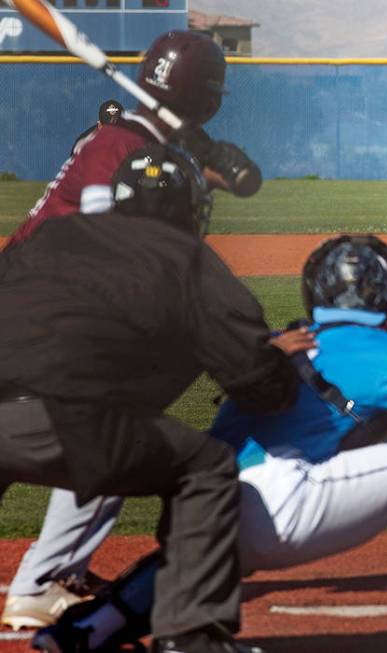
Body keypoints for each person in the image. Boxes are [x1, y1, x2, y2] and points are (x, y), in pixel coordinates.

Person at [29, 235, 387, 653]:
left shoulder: (280, 345)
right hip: (285, 509)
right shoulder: (384, 350)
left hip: (203, 518)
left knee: (204, 539)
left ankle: (85, 630)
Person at [0, 144, 312, 653]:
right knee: (206, 467)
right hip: (64, 419)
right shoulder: (186, 255)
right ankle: (191, 635)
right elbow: (256, 384)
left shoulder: (53, 236)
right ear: (191, 207)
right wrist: (270, 355)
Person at [1, 29, 263, 632]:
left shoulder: (134, 141)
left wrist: (209, 159)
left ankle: (54, 573)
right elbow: (116, 240)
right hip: (44, 315)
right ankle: (41, 581)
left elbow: (243, 181)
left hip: (27, 309)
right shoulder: (122, 145)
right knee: (115, 419)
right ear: (211, 96)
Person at [4, 29, 259, 249]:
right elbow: (97, 227)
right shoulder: (118, 139)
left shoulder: (171, 143)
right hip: (33, 276)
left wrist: (225, 162)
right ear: (209, 104)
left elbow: (246, 183)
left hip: (67, 272)